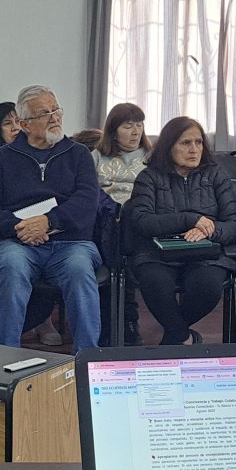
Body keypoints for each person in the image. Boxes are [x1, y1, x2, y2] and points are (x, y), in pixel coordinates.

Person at [0, 85, 102, 352]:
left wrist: (48, 222)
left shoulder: (78, 154)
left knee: (80, 270)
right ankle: (5, 355)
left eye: (56, 110)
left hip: (70, 242)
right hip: (17, 241)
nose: (55, 118)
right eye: (44, 113)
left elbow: (87, 202)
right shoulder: (0, 159)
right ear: (24, 125)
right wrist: (18, 227)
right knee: (10, 265)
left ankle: (87, 358)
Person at [124, 117, 236, 345]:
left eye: (199, 142)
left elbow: (235, 224)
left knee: (207, 286)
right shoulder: (148, 177)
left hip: (206, 253)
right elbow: (142, 221)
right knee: (156, 283)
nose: (194, 149)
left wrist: (210, 230)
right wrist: (190, 219)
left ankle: (174, 338)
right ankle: (182, 337)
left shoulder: (216, 175)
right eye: (185, 143)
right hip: (157, 254)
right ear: (168, 146)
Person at [0, 101, 60, 345]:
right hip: (0, 223)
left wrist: (39, 223)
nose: (16, 128)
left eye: (19, 122)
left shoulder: (43, 155)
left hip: (42, 222)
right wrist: (15, 223)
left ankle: (43, 317)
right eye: (8, 123)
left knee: (52, 247)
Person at [92, 102, 153, 345]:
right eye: (128, 126)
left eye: (139, 125)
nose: (135, 131)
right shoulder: (96, 157)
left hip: (139, 222)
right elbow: (89, 192)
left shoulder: (152, 157)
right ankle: (115, 321)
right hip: (104, 221)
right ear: (113, 130)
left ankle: (126, 320)